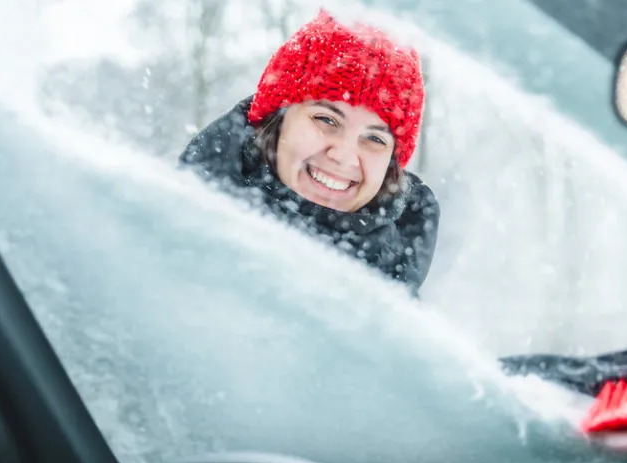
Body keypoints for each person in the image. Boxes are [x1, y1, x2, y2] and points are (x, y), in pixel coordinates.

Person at [179, 9, 440, 295]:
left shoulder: (396, 308)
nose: (343, 156)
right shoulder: (173, 232)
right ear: (278, 120)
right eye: (326, 120)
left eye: (375, 139)